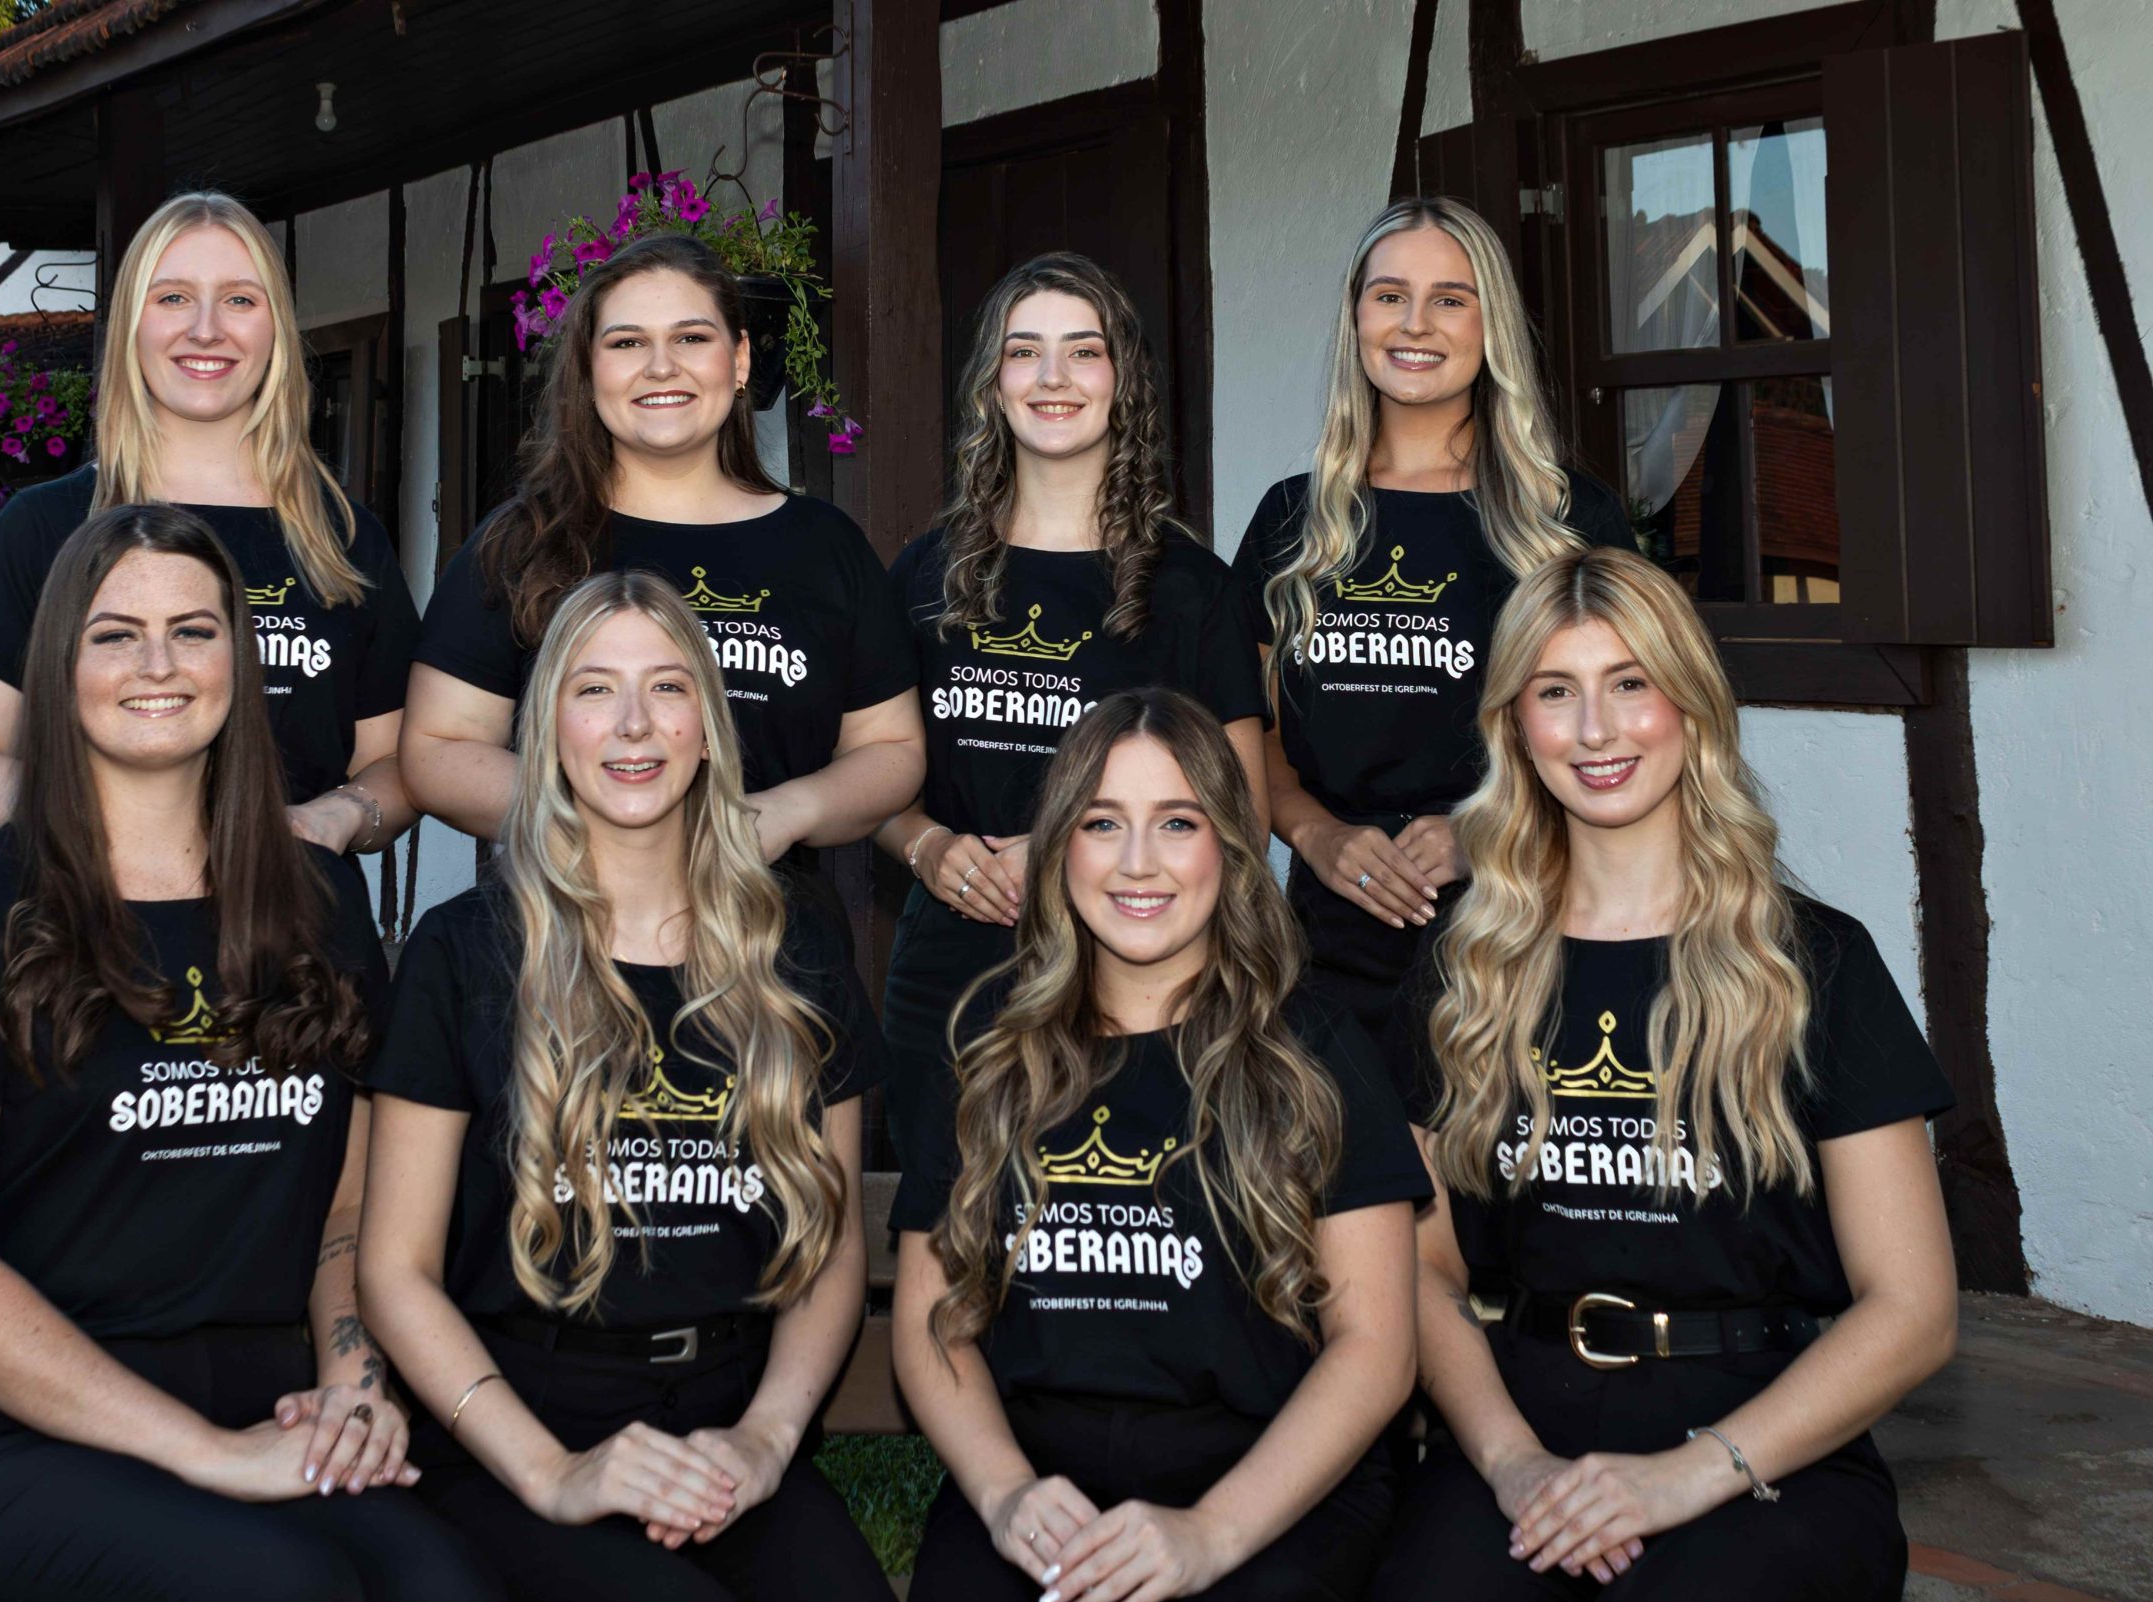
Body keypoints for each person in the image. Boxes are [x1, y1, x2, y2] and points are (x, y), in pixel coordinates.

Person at [0, 506, 514, 1602]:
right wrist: (207, 1455)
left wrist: (353, 1379)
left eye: (193, 631)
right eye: (115, 634)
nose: (157, 664)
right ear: (58, 668)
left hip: (272, 1393)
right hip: (18, 1430)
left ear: (237, 664)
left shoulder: (316, 903)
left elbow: (347, 1208)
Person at [1349, 548, 1958, 1602]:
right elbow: (1417, 1267)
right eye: (1555, 691)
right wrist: (1511, 1463)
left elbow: (1914, 1310)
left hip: (1767, 1455)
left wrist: (1688, 1477)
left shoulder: (1813, 964)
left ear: (1689, 702)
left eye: (1629, 682)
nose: (1596, 729)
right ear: (1514, 726)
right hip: (1523, 1434)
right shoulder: (1464, 969)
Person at [358, 570, 902, 1602]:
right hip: (522, 1422)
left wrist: (766, 1439)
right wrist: (554, 1473)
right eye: (595, 690)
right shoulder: (466, 953)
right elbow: (396, 1271)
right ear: (549, 729)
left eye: (668, 688)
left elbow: (834, 1246)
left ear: (709, 725)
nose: (635, 726)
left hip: (726, 1412)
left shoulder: (796, 947)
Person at [887, 689, 1426, 1602]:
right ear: (1060, 848)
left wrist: (1209, 1533)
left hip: (1263, 1494)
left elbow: (1377, 1348)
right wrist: (1003, 1495)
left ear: (1229, 845)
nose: (1138, 863)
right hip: (1038, 1483)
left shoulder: (1311, 1050)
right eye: (1103, 824)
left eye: (1177, 823)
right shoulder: (990, 1054)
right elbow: (929, 1320)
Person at [880, 252, 1265, 1169]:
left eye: (1083, 351)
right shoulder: (924, 575)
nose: (1053, 377)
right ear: (993, 383)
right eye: (1025, 352)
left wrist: (1064, 850)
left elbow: (1244, 810)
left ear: (1122, 381)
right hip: (950, 976)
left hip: (1132, 973)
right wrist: (928, 848)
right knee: (948, 1228)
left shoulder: (1194, 590)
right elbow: (878, 773)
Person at [1240, 195, 1637, 1046]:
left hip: (1524, 930)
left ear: (1491, 324)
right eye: (1390, 295)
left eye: (1450, 298)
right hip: (1328, 945)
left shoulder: (1570, 520)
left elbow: (1632, 726)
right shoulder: (1292, 520)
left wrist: (1488, 831)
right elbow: (1245, 725)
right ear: (1356, 316)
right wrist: (1317, 834)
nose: (1415, 323)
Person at [0, 190, 420, 857]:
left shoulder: (342, 537)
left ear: (276, 327)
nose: (206, 329)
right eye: (174, 297)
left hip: (296, 910)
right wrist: (129, 839)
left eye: (239, 299)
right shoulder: (47, 526)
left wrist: (338, 817)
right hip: (96, 914)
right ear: (132, 323)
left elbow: (397, 763)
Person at [403, 233, 921, 873]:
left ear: (739, 360)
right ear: (589, 369)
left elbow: (891, 749)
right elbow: (436, 748)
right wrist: (591, 819)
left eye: (691, 338)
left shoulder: (825, 545)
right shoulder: (522, 541)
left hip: (771, 921)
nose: (660, 366)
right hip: (569, 920)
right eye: (627, 343)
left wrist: (782, 814)